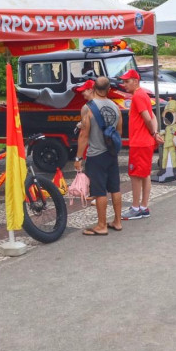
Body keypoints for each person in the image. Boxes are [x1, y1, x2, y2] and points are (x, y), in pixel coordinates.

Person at [73, 77, 123, 236]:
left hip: (96, 154)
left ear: (94, 88)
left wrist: (78, 158)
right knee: (115, 188)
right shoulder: (116, 107)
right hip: (111, 153)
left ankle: (102, 225)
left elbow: (83, 135)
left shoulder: (87, 108)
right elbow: (119, 132)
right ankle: (117, 221)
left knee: (100, 190)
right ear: (109, 89)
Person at [120, 69, 158, 221]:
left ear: (135, 81)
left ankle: (136, 207)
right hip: (145, 142)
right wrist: (154, 133)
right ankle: (143, 206)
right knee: (144, 174)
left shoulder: (138, 96)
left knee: (135, 175)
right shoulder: (143, 95)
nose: (124, 85)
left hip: (139, 143)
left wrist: (152, 132)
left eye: (126, 81)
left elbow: (148, 118)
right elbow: (153, 116)